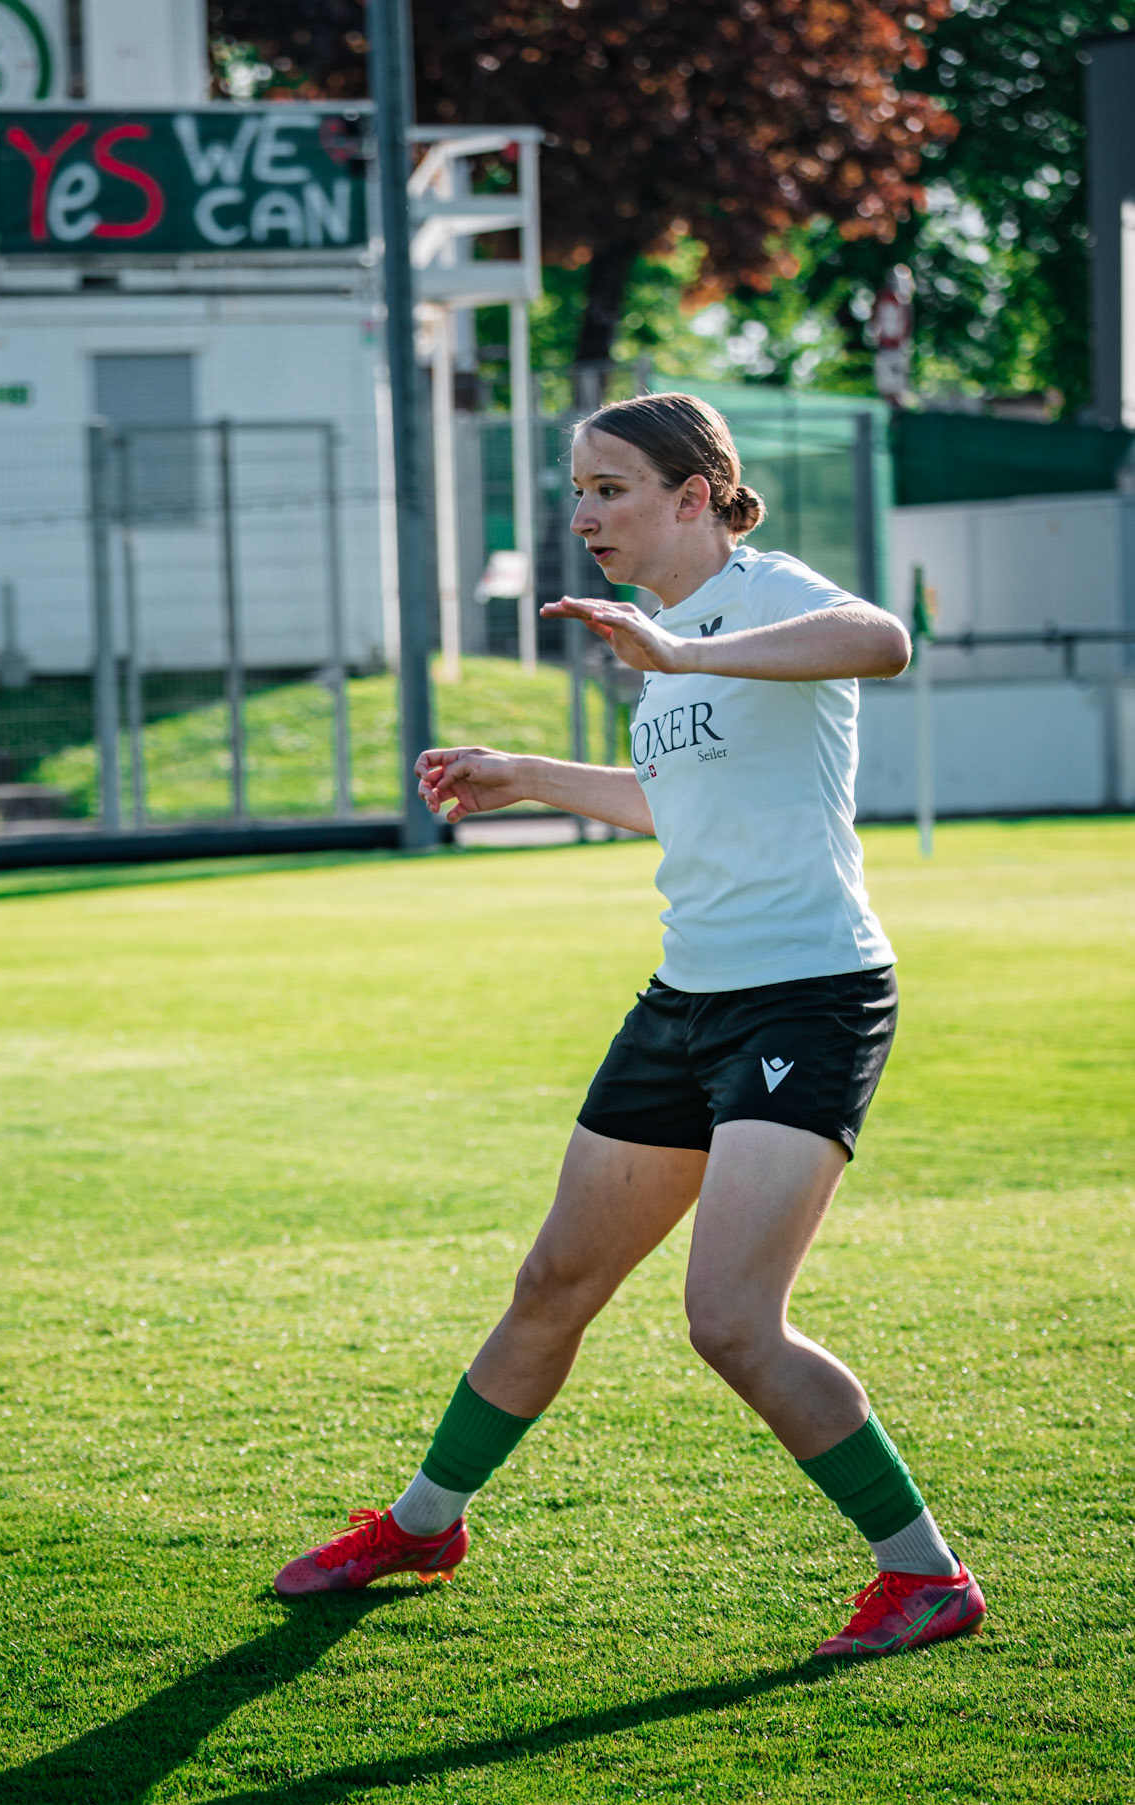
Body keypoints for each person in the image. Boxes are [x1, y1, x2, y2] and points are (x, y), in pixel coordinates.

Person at [275, 391, 985, 1658]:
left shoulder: (763, 595)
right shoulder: (664, 636)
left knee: (729, 1320)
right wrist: (526, 772)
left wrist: (689, 658)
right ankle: (426, 1522)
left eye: (609, 486)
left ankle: (924, 1573)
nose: (582, 512)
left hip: (808, 994)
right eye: (580, 488)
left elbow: (881, 641)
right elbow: (680, 800)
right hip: (687, 1000)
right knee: (554, 1280)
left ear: (693, 494)